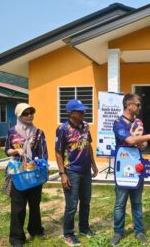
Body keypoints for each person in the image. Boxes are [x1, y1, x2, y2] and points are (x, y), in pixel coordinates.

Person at [110, 93, 150, 246]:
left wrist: (144, 144)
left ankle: (139, 231)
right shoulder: (118, 123)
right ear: (129, 105)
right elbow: (130, 140)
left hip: (137, 166)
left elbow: (142, 144)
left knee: (137, 202)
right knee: (120, 203)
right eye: (137, 104)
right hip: (122, 167)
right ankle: (118, 232)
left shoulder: (139, 122)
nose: (140, 107)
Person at [55, 99, 99, 246]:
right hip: (71, 171)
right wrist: (62, 174)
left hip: (85, 171)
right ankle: (68, 234)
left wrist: (93, 164)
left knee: (86, 202)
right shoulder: (63, 129)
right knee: (72, 205)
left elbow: (89, 146)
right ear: (71, 113)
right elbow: (58, 152)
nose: (83, 113)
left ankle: (84, 228)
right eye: (80, 111)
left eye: (84, 110)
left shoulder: (86, 126)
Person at [5, 103, 48, 247]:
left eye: (31, 112)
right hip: (18, 175)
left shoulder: (39, 133)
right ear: (19, 115)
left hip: (34, 174)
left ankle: (35, 230)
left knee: (35, 205)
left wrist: (42, 168)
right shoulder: (12, 131)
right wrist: (16, 151)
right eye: (26, 113)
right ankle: (17, 238)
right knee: (18, 207)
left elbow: (43, 154)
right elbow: (7, 150)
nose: (30, 115)